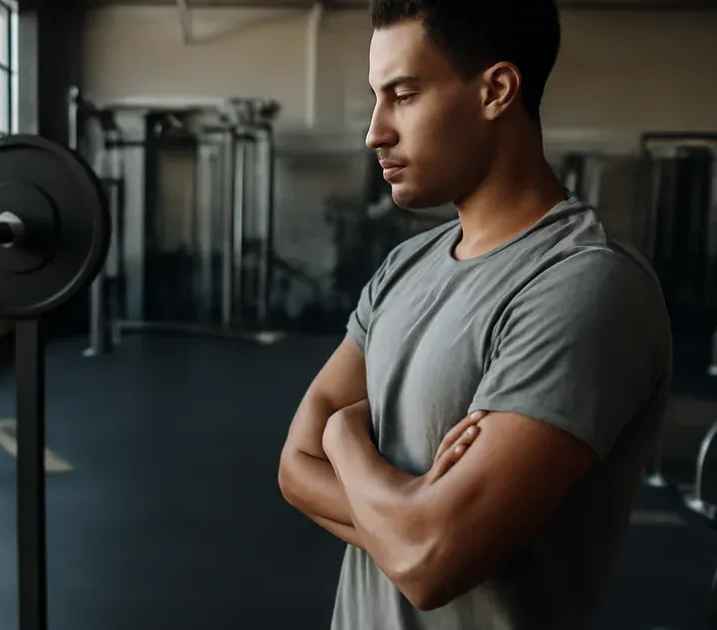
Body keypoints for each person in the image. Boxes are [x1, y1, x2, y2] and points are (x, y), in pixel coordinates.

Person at [276, 1, 673, 629]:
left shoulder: (585, 287)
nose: (375, 131)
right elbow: (294, 469)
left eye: (403, 95)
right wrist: (406, 509)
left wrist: (343, 440)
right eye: (377, 98)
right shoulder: (404, 266)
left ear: (497, 90)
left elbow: (432, 562)